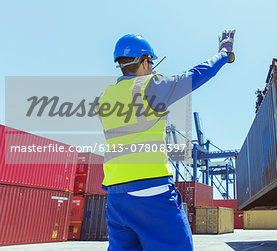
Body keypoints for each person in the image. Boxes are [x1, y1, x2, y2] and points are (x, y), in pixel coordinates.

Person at [97, 30, 236, 251]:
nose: (152, 69)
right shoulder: (149, 87)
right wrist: (224, 53)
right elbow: (197, 74)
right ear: (144, 62)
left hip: (117, 197)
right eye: (151, 63)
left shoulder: (106, 97)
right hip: (151, 192)